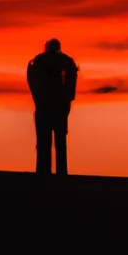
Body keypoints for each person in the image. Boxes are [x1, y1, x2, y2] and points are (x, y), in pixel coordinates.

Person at [27, 38, 78, 176]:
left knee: (45, 140)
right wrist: (68, 98)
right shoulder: (66, 61)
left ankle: (44, 171)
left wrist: (37, 97)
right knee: (57, 141)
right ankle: (58, 172)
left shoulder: (39, 60)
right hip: (56, 105)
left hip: (48, 104)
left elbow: (31, 79)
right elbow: (72, 80)